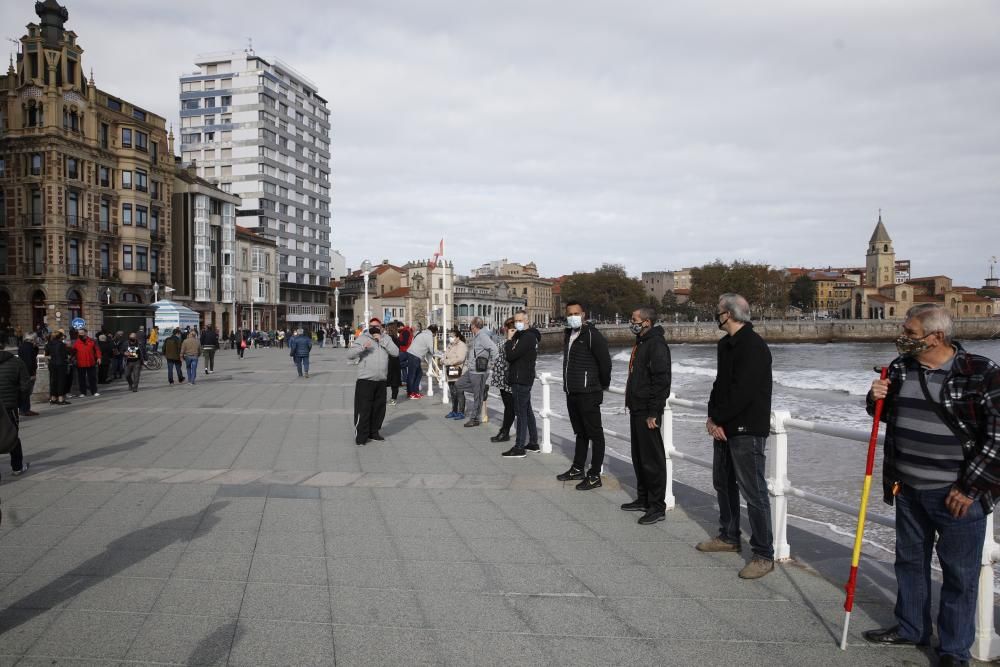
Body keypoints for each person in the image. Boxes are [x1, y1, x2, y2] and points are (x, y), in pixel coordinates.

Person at [862, 305, 1000, 666]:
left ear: (936, 337)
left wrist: (970, 488)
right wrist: (874, 397)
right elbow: (885, 414)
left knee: (959, 574)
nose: (902, 336)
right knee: (909, 562)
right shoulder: (900, 368)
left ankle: (954, 650)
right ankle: (911, 628)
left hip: (956, 495)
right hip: (907, 487)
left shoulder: (979, 372)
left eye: (909, 331)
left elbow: (997, 438)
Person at [697, 293, 774, 580]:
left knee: (754, 493)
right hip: (724, 427)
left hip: (746, 430)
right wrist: (712, 417)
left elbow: (745, 391)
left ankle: (764, 554)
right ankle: (728, 536)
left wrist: (721, 419)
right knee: (723, 483)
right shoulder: (725, 345)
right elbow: (720, 385)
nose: (715, 315)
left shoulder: (753, 346)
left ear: (728, 314)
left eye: (718, 310)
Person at [621, 306, 672, 526]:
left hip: (647, 411)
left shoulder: (656, 345)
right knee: (639, 457)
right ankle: (643, 498)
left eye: (634, 319)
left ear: (647, 322)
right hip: (636, 407)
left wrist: (654, 411)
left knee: (652, 459)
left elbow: (661, 381)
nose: (631, 322)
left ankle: (657, 506)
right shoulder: (642, 342)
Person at [556, 301, 612, 489]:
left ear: (583, 314)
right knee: (580, 432)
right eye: (569, 314)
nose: (573, 316)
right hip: (572, 391)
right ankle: (577, 468)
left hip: (589, 392)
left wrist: (602, 384)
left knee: (595, 434)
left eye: (576, 313)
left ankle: (595, 474)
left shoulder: (592, 335)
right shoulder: (568, 334)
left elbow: (605, 363)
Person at [347, 317, 399, 445]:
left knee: (379, 409)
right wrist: (362, 348)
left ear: (381, 327)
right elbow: (350, 354)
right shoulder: (362, 338)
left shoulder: (386, 338)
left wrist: (381, 340)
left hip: (381, 379)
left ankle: (374, 432)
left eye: (377, 325)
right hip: (365, 379)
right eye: (372, 326)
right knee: (364, 409)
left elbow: (396, 353)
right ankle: (361, 435)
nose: (374, 328)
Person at [501, 311, 542, 457]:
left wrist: (509, 340)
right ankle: (533, 443)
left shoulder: (528, 337)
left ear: (527, 321)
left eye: (520, 320)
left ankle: (519, 447)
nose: (517, 323)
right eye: (516, 320)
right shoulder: (524, 336)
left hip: (521, 378)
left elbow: (511, 356)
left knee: (521, 413)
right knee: (527, 411)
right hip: (523, 377)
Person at [0, 341, 33, 481]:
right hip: (9, 405)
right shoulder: (16, 362)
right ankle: (17, 467)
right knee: (11, 434)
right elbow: (25, 386)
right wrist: (20, 400)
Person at [455, 317, 497, 429]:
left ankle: (474, 419)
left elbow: (494, 349)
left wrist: (491, 363)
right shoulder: (478, 336)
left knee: (477, 397)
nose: (470, 327)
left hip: (479, 371)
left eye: (471, 325)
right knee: (458, 384)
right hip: (472, 369)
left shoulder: (483, 336)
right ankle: (482, 389)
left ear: (474, 326)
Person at [488, 318, 516, 443]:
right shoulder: (505, 341)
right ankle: (505, 431)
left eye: (509, 328)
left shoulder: (514, 343)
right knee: (508, 406)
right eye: (508, 328)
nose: (506, 330)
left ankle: (505, 432)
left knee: (510, 407)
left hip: (508, 379)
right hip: (502, 378)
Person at [405, 325, 438, 399]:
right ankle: (411, 393)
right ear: (434, 332)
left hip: (411, 353)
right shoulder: (429, 336)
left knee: (418, 373)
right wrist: (437, 353)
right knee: (412, 375)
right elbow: (431, 349)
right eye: (435, 333)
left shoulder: (422, 333)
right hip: (415, 355)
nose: (435, 335)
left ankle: (415, 392)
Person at [443, 328, 468, 419]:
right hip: (450, 371)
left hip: (458, 371)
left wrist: (447, 361)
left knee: (459, 392)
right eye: (449, 336)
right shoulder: (450, 345)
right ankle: (454, 411)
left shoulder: (462, 345)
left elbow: (460, 359)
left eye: (452, 336)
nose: (450, 338)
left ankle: (461, 412)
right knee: (453, 392)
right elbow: (445, 355)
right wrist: (443, 360)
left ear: (457, 337)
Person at [72, 328, 101, 398]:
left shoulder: (92, 341)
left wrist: (99, 358)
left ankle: (94, 391)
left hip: (91, 362)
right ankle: (83, 392)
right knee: (81, 378)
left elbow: (97, 350)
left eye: (82, 333)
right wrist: (72, 358)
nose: (80, 334)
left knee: (92, 378)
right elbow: (73, 352)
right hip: (80, 363)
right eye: (79, 333)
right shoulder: (76, 342)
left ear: (86, 333)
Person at [44, 331, 71, 405]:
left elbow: (46, 355)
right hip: (61, 364)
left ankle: (53, 398)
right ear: (60, 337)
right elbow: (65, 356)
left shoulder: (48, 344)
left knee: (53, 381)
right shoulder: (62, 344)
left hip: (52, 364)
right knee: (61, 381)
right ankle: (60, 399)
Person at [16, 335, 39, 417]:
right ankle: (25, 409)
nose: (36, 340)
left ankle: (23, 409)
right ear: (32, 339)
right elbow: (30, 361)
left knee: (24, 391)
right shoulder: (28, 348)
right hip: (28, 373)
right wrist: (32, 374)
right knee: (27, 391)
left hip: (22, 371)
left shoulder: (22, 346)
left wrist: (35, 347)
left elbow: (33, 356)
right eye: (35, 339)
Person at [385, 322, 403, 406]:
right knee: (394, 382)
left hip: (388, 361)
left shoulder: (387, 338)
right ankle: (393, 399)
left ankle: (382, 398)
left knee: (383, 380)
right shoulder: (397, 338)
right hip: (395, 361)